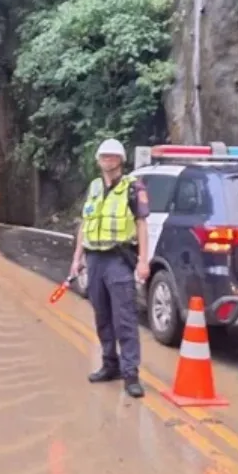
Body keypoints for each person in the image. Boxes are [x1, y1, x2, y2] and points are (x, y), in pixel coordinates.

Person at [69, 138, 150, 398]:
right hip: (94, 260)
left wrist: (143, 260)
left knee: (124, 318)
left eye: (113, 156)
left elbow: (142, 224)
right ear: (98, 160)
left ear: (121, 160)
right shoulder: (93, 188)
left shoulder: (132, 188)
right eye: (104, 156)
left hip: (118, 259)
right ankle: (109, 365)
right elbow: (85, 223)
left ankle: (131, 374)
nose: (108, 160)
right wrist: (77, 258)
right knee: (102, 317)